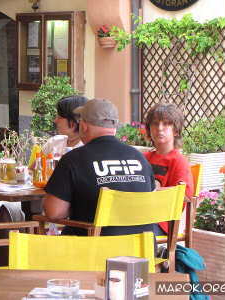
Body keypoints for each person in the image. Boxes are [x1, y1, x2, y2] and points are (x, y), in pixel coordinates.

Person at [0, 96, 88, 266]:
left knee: (6, 213)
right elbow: (31, 172)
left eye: (59, 116)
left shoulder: (84, 150)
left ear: (73, 123)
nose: (55, 120)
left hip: (57, 213)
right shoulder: (54, 143)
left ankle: (14, 264)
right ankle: (2, 267)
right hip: (36, 202)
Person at [44, 98, 156, 236]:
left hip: (94, 252)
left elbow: (53, 212)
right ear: (114, 128)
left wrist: (78, 203)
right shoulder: (140, 158)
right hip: (141, 252)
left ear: (83, 126)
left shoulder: (73, 160)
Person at [144, 102, 194, 235]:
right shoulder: (143, 158)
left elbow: (186, 195)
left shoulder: (179, 161)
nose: (160, 128)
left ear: (176, 130)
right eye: (155, 123)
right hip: (140, 215)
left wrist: (155, 191)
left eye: (166, 124)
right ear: (149, 128)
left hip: (163, 223)